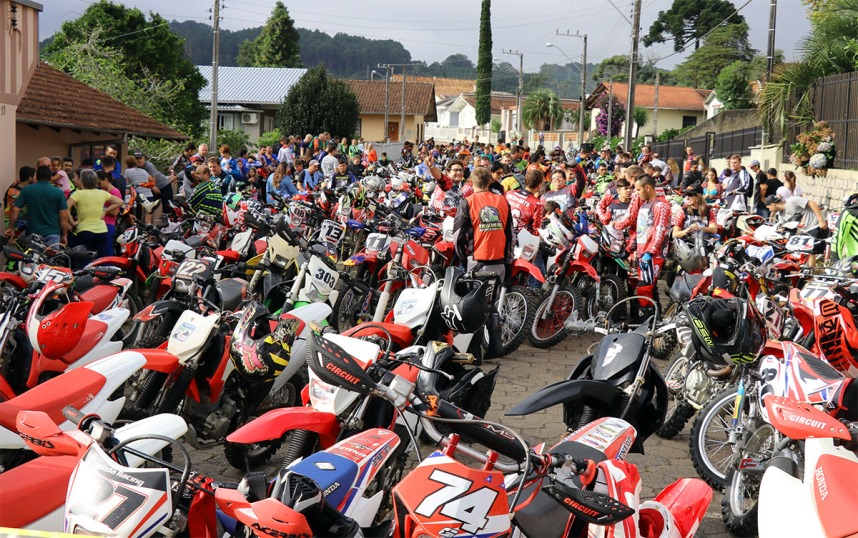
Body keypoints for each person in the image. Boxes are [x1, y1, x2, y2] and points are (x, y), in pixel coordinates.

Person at [613, 173, 671, 321]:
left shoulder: (661, 205)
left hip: (654, 255)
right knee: (646, 289)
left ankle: (647, 323)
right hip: (642, 253)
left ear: (647, 187)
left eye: (638, 190)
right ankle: (652, 320)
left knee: (645, 289)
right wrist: (628, 251)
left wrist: (650, 253)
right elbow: (640, 232)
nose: (636, 193)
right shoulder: (645, 204)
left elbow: (660, 231)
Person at [453, 167, 514, 283]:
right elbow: (510, 234)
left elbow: (457, 237)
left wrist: (463, 260)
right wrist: (508, 262)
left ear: (470, 182)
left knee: (475, 299)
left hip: (476, 261)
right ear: (490, 181)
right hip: (499, 261)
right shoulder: (503, 201)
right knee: (497, 299)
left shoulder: (467, 202)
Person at [6, 165, 71, 246]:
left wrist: (11, 228)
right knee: (51, 257)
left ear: (36, 176)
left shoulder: (27, 190)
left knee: (34, 257)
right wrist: (65, 235)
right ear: (50, 177)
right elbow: (64, 216)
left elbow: (15, 210)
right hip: (53, 233)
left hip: (33, 233)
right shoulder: (58, 192)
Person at [67, 169, 123, 259]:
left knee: (85, 260)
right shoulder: (102, 193)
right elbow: (119, 202)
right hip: (102, 230)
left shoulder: (78, 194)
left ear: (82, 181)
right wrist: (105, 211)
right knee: (103, 259)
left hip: (85, 230)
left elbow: (66, 207)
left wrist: (72, 222)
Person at [766, 193, 828, 267]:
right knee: (797, 250)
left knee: (811, 252)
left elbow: (812, 203)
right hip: (804, 230)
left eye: (769, 208)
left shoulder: (792, 201)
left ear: (773, 204)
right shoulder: (781, 214)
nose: (769, 210)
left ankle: (811, 271)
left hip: (815, 225)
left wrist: (820, 220)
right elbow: (781, 227)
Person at [124, 156, 159, 225]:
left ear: (127, 164)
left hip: (138, 198)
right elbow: (151, 180)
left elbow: (126, 184)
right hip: (149, 196)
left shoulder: (127, 171)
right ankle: (150, 234)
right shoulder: (144, 171)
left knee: (137, 218)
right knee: (148, 218)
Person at [97, 171, 122, 254]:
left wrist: (103, 210)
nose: (98, 185)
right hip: (100, 223)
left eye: (99, 183)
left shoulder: (114, 192)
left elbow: (115, 212)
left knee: (107, 250)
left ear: (106, 180)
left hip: (108, 224)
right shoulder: (102, 191)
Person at [5, 166, 35, 231]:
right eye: (34, 176)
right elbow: (14, 210)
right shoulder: (15, 193)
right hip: (15, 227)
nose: (36, 178)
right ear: (30, 178)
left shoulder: (15, 185)